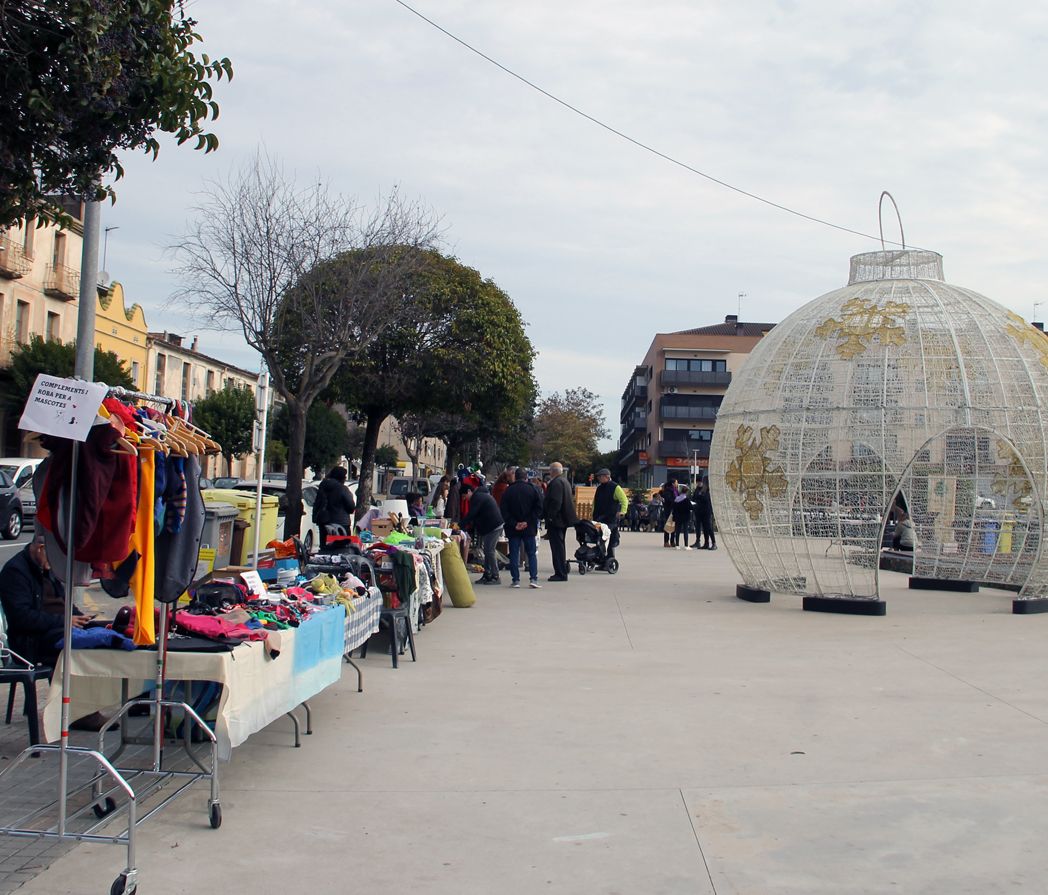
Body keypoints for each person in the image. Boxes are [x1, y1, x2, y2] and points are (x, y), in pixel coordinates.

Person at [0, 533, 88, 668]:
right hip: (32, 641)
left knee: (100, 629)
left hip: (57, 627)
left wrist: (80, 618)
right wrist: (65, 621)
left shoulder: (48, 568)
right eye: (54, 556)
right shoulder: (15, 571)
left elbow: (63, 602)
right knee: (81, 645)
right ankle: (70, 688)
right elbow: (22, 617)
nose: (56, 561)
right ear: (41, 548)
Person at [500, 467, 544, 589]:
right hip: (529, 527)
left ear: (515, 477)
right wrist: (527, 521)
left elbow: (504, 511)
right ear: (526, 477)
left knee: (514, 553)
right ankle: (533, 578)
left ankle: (516, 580)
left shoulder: (508, 491)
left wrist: (515, 523)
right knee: (531, 553)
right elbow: (539, 508)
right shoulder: (533, 490)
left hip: (513, 528)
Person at [461, 482, 505, 585]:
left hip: (494, 526)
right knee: (487, 551)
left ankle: (495, 576)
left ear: (469, 491)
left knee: (489, 551)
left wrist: (460, 525)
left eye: (464, 496)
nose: (464, 499)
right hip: (491, 526)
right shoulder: (479, 496)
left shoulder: (477, 498)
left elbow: (472, 514)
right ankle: (487, 574)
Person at [543, 461, 577, 581]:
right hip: (563, 520)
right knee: (560, 546)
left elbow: (556, 502)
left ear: (553, 471)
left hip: (557, 520)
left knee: (557, 547)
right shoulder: (564, 482)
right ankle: (561, 571)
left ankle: (560, 573)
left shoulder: (556, 483)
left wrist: (550, 516)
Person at [313, 465, 356, 549]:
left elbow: (317, 503)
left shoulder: (322, 486)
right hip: (341, 524)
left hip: (324, 522)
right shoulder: (342, 489)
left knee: (325, 548)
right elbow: (351, 507)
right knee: (342, 549)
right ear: (341, 478)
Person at [592, 468, 628, 560]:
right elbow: (594, 503)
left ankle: (610, 559)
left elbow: (624, 500)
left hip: (610, 519)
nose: (598, 478)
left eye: (600, 476)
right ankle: (601, 559)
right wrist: (592, 515)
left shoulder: (615, 487)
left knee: (609, 538)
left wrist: (622, 512)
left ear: (607, 477)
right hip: (599, 518)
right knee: (599, 539)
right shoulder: (599, 488)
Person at [693, 478, 717, 549]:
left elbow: (707, 500)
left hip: (707, 511)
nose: (700, 483)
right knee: (704, 528)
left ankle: (714, 543)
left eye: (702, 482)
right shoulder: (698, 490)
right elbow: (694, 497)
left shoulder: (708, 491)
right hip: (699, 511)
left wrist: (700, 496)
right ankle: (706, 543)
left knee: (709, 527)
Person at [670, 483, 693, 549]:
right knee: (685, 530)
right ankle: (686, 545)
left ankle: (677, 545)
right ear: (686, 492)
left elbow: (673, 507)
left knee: (677, 531)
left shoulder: (676, 499)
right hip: (685, 517)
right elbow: (691, 507)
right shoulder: (686, 500)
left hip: (677, 517)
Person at [660, 480, 678, 547]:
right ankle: (666, 541)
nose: (677, 483)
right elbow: (668, 500)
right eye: (676, 482)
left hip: (675, 510)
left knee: (673, 526)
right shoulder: (668, 491)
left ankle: (673, 541)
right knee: (668, 526)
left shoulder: (675, 490)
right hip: (668, 510)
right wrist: (675, 500)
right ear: (673, 483)